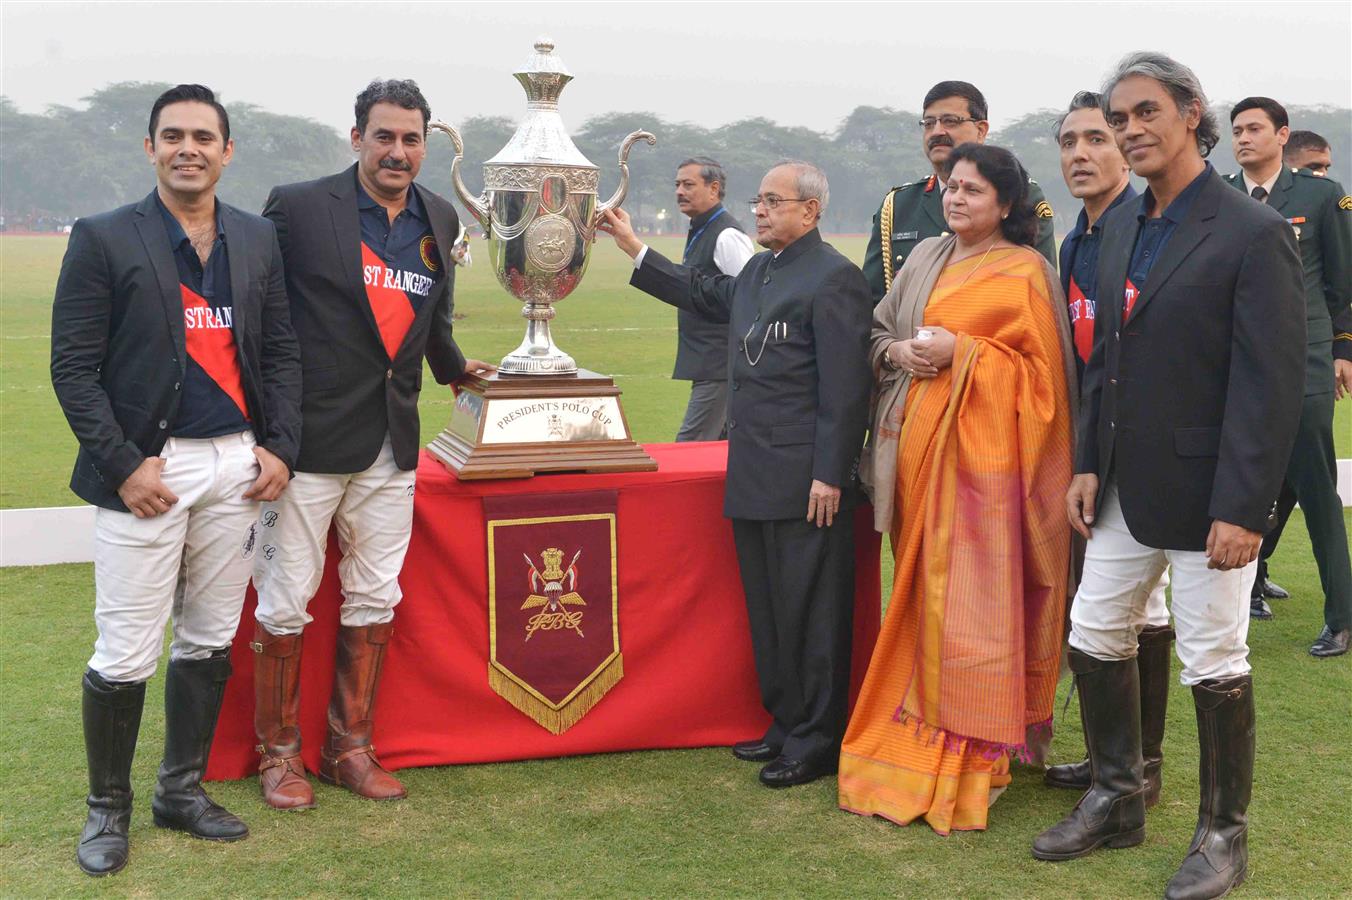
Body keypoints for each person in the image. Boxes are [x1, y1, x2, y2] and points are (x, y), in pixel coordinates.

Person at [1032, 54, 1305, 900]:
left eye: (1145, 112)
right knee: (1095, 633)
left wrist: (1243, 509)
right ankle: (1118, 797)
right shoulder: (1117, 224)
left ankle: (1223, 835)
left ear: (1193, 113)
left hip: (1210, 494)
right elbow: (1101, 359)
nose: (1129, 130)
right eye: (1119, 119)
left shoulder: (1251, 231)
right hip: (1118, 484)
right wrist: (1085, 462)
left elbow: (1268, 384)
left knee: (1215, 660)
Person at [50, 84, 302, 875]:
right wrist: (124, 466)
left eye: (203, 136)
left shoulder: (257, 238)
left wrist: (280, 446)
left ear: (227, 151)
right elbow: (72, 368)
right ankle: (107, 811)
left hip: (235, 463)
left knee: (209, 635)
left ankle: (180, 792)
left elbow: (281, 352)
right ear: (151, 148)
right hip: (148, 469)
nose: (188, 147)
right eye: (173, 136)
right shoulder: (102, 237)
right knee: (126, 649)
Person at [251, 79, 495, 810]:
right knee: (286, 600)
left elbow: (431, 321)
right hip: (307, 441)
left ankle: (349, 748)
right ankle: (279, 755)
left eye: (411, 139)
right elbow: (264, 318)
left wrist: (454, 370)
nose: (398, 151)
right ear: (356, 137)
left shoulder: (440, 214)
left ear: (426, 144)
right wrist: (269, 430)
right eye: (384, 136)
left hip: (394, 439)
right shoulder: (295, 207)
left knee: (375, 595)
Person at [599, 161, 871, 788]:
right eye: (759, 200)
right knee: (770, 606)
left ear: (811, 210)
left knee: (813, 610)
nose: (761, 210)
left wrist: (830, 473)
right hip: (753, 469)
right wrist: (635, 248)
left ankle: (817, 738)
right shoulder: (757, 270)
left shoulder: (835, 279)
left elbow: (846, 389)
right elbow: (702, 293)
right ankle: (785, 721)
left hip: (809, 479)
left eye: (774, 201)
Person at [839, 143, 1075, 834]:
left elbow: (1046, 385)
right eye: (952, 188)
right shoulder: (924, 259)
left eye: (973, 190)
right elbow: (880, 330)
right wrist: (901, 352)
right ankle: (913, 729)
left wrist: (963, 354)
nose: (957, 198)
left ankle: (979, 749)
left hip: (989, 481)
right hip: (916, 462)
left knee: (973, 606)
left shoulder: (1028, 271)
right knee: (923, 600)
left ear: (1006, 204)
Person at [1043, 91, 1176, 804]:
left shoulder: (1147, 228)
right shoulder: (1077, 239)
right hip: (1102, 450)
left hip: (1151, 454)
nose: (1080, 154)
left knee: (1120, 612)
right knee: (1132, 612)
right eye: (1069, 142)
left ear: (1125, 147)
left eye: (1096, 138)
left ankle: (1132, 774)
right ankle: (1123, 767)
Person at [1224, 97, 1352, 655]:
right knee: (1243, 481)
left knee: (1316, 485)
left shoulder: (1321, 196)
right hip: (1238, 362)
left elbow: (1344, 282)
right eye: (1236, 130)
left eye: (1255, 129)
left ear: (1282, 135)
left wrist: (1342, 348)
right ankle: (1240, 595)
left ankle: (1342, 617)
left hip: (1305, 360)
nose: (1244, 138)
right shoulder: (1220, 194)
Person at [861, 80, 1057, 303]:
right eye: (928, 123)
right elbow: (872, 302)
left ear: (981, 130)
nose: (937, 132)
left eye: (950, 121)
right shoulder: (899, 205)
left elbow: (1041, 293)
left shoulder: (1019, 195)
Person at [670, 156, 756, 441]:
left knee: (689, 446)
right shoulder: (702, 228)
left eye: (688, 184)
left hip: (720, 366)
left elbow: (752, 297)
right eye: (677, 184)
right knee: (721, 449)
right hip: (710, 364)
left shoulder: (727, 235)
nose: (680, 191)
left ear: (714, 188)